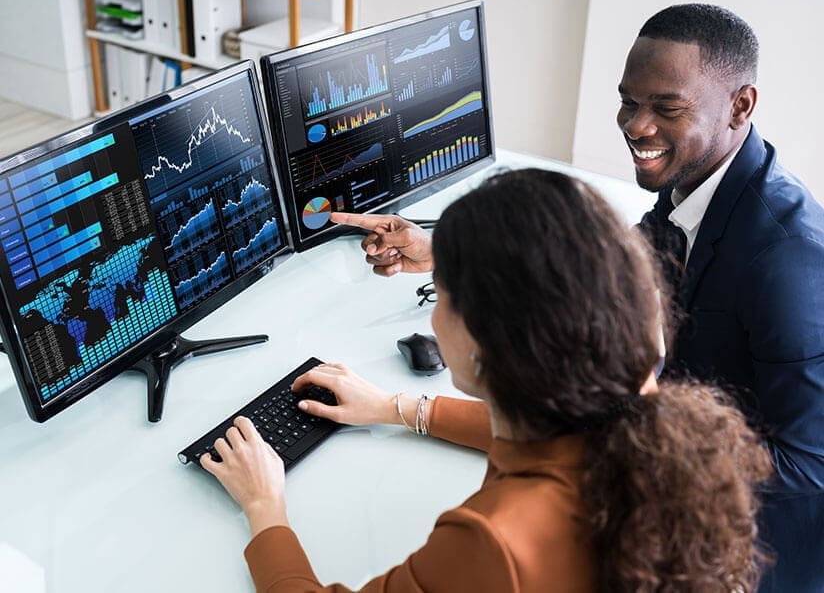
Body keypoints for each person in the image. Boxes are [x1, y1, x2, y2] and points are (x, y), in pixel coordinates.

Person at [332, 4, 824, 592]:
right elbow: (597, 272)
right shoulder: (695, 186)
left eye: (666, 108)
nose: (637, 126)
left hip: (740, 559)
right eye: (628, 101)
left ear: (740, 105)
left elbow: (810, 466)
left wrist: (640, 448)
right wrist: (452, 255)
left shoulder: (789, 260)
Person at [201, 169, 771, 592]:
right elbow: (564, 439)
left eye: (443, 297)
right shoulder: (641, 403)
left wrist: (265, 509)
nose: (431, 316)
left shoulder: (493, 540)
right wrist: (400, 408)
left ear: (489, 338)